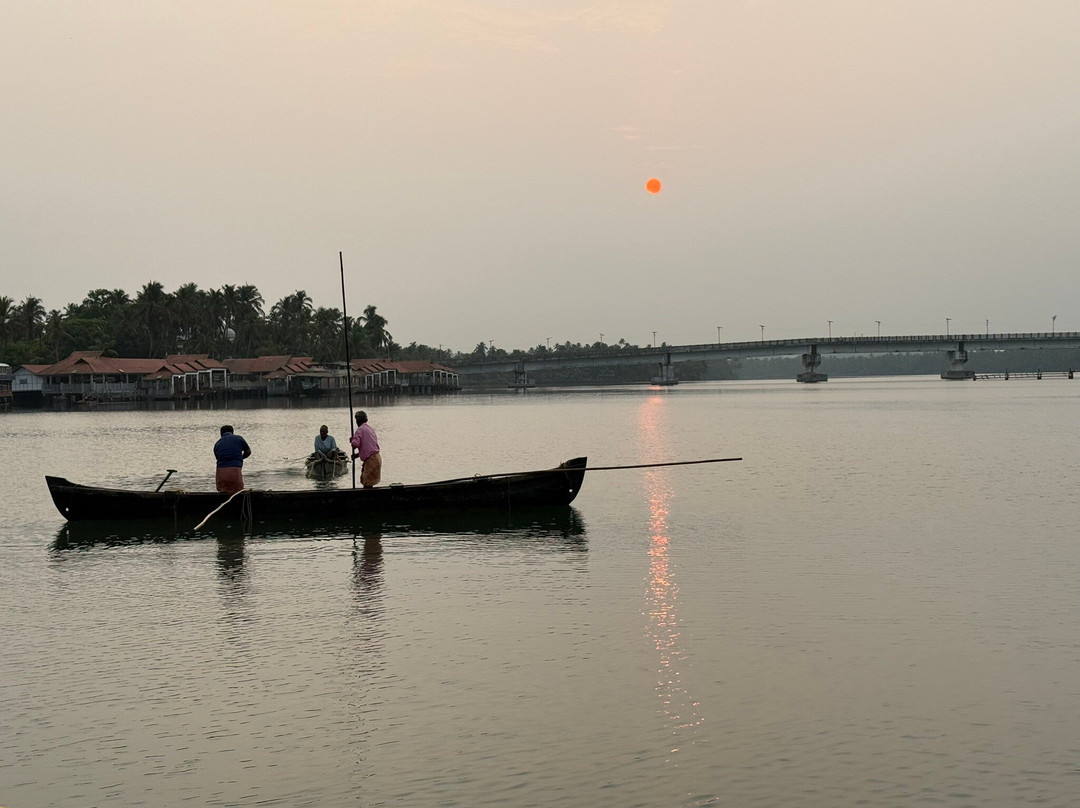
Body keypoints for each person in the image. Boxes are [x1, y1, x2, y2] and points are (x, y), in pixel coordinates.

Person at [214, 424, 252, 494]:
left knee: (223, 490)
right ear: (232, 432)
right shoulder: (239, 439)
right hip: (235, 469)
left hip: (221, 471)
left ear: (221, 434)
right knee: (237, 491)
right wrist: (241, 458)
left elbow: (217, 457)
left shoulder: (217, 444)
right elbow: (248, 452)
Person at [350, 410, 381, 488]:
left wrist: (352, 440)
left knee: (367, 484)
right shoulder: (370, 429)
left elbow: (355, 445)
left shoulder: (360, 430)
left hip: (371, 460)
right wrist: (357, 455)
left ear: (358, 420)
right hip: (377, 458)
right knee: (367, 482)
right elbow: (368, 447)